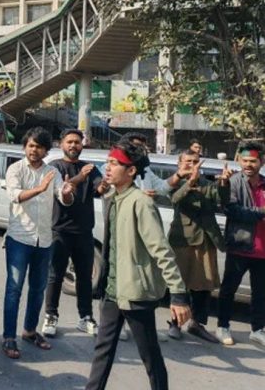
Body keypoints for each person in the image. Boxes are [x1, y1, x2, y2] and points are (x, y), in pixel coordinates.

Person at [85, 140, 191, 390]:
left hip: (135, 293)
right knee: (102, 351)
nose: (108, 168)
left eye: (114, 163)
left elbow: (161, 250)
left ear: (131, 171)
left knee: (149, 354)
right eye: (107, 162)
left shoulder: (141, 202)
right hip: (112, 290)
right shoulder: (113, 197)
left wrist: (178, 294)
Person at [1, 127, 74, 359]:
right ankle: (8, 337)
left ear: (46, 150)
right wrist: (40, 188)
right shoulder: (15, 169)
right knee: (14, 289)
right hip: (19, 238)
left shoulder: (52, 171)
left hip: (44, 240)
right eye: (31, 145)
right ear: (25, 146)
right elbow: (15, 195)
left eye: (39, 147)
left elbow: (64, 197)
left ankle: (30, 331)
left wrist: (68, 192)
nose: (34, 150)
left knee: (38, 288)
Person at [42, 129, 106, 338]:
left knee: (84, 277)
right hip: (60, 230)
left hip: (84, 231)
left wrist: (105, 184)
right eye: (69, 142)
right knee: (55, 276)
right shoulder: (54, 167)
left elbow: (99, 188)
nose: (73, 145)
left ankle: (85, 317)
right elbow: (63, 188)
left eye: (77, 142)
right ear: (61, 144)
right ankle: (51, 315)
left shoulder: (90, 169)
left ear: (82, 145)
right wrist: (80, 177)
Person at [167, 150, 231, 343]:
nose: (192, 164)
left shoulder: (206, 183)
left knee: (204, 285)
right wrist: (190, 183)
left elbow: (222, 200)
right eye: (188, 161)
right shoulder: (174, 182)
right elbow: (174, 199)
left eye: (195, 161)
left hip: (206, 240)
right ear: (179, 164)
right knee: (180, 284)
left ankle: (197, 323)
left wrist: (224, 183)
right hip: (183, 240)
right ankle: (175, 324)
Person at [217, 141, 265, 347]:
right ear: (239, 161)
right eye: (245, 160)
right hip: (240, 246)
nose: (248, 165)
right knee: (228, 290)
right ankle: (222, 326)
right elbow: (232, 210)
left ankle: (257, 329)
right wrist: (261, 212)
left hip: (262, 251)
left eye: (253, 161)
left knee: (260, 294)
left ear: (261, 162)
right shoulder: (233, 182)